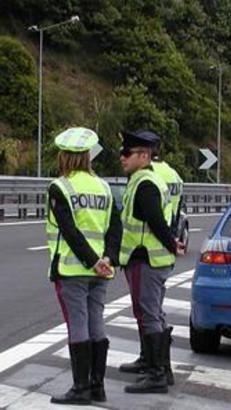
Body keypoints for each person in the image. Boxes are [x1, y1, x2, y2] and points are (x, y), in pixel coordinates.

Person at [46, 127, 122, 405]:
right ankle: (97, 386)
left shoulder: (60, 187)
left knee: (78, 326)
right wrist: (107, 260)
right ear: (88, 156)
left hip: (73, 269)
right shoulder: (104, 187)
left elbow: (70, 232)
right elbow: (116, 228)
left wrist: (92, 261)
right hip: (101, 271)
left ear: (64, 156)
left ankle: (80, 389)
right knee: (96, 323)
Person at [118, 130, 185, 394]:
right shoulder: (143, 180)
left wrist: (171, 243)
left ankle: (156, 375)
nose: (122, 158)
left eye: (127, 153)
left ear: (144, 156)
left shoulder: (145, 183)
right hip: (147, 258)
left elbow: (156, 220)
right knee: (151, 312)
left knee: (149, 314)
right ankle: (157, 367)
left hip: (146, 257)